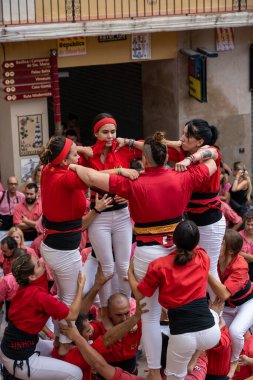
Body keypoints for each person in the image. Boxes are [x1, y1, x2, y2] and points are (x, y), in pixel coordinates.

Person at [69, 131, 217, 380]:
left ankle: (155, 372)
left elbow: (91, 177)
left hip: (148, 253)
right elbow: (214, 156)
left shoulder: (134, 181)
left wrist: (75, 165)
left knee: (148, 315)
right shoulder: (183, 175)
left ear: (145, 161)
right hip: (179, 248)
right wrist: (192, 159)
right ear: (167, 157)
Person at [128, 220, 220, 380]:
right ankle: (193, 360)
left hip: (183, 337)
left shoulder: (159, 265)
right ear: (196, 242)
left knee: (174, 377)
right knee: (214, 314)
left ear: (174, 240)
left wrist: (129, 272)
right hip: (211, 333)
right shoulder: (203, 257)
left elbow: (140, 295)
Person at [77, 113, 142, 313]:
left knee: (123, 268)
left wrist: (129, 141)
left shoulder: (123, 149)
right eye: (105, 132)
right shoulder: (88, 154)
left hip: (122, 213)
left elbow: (151, 150)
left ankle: (126, 309)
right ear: (96, 133)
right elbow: (88, 177)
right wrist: (120, 171)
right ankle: (106, 311)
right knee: (107, 268)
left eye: (113, 131)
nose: (110, 136)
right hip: (100, 215)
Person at [164, 119, 226, 301]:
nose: (182, 138)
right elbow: (156, 150)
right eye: (182, 134)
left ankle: (219, 311)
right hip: (191, 223)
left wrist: (188, 159)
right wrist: (128, 142)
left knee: (210, 268)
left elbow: (208, 152)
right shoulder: (184, 150)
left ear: (199, 141)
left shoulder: (212, 152)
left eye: (187, 135)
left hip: (211, 223)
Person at [0, 253, 85, 380]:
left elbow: (36, 313)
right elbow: (72, 315)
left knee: (57, 348)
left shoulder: (26, 287)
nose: (42, 263)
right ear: (32, 276)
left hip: (15, 347)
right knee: (76, 374)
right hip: (19, 359)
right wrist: (80, 287)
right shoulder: (38, 295)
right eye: (38, 264)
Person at [38, 135, 88, 352]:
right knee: (71, 296)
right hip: (63, 251)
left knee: (63, 296)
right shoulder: (65, 178)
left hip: (54, 246)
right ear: (65, 161)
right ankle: (66, 345)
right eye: (76, 154)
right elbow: (94, 178)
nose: (80, 156)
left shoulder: (50, 169)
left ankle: (59, 339)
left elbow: (78, 167)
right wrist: (121, 172)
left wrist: (82, 153)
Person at [208, 229, 253, 378]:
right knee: (213, 331)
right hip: (225, 305)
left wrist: (205, 270)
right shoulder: (213, 258)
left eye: (222, 244)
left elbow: (224, 293)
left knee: (235, 332)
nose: (217, 246)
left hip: (246, 303)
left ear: (231, 251)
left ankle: (234, 362)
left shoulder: (240, 265)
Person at [60, 322, 144, 380]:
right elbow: (107, 340)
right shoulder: (75, 355)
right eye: (88, 330)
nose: (91, 332)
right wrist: (133, 319)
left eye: (127, 313)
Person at [239, 211, 253, 281]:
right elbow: (235, 253)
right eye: (248, 224)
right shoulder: (238, 236)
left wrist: (242, 254)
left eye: (252, 225)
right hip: (241, 266)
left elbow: (239, 253)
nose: (250, 227)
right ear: (244, 224)